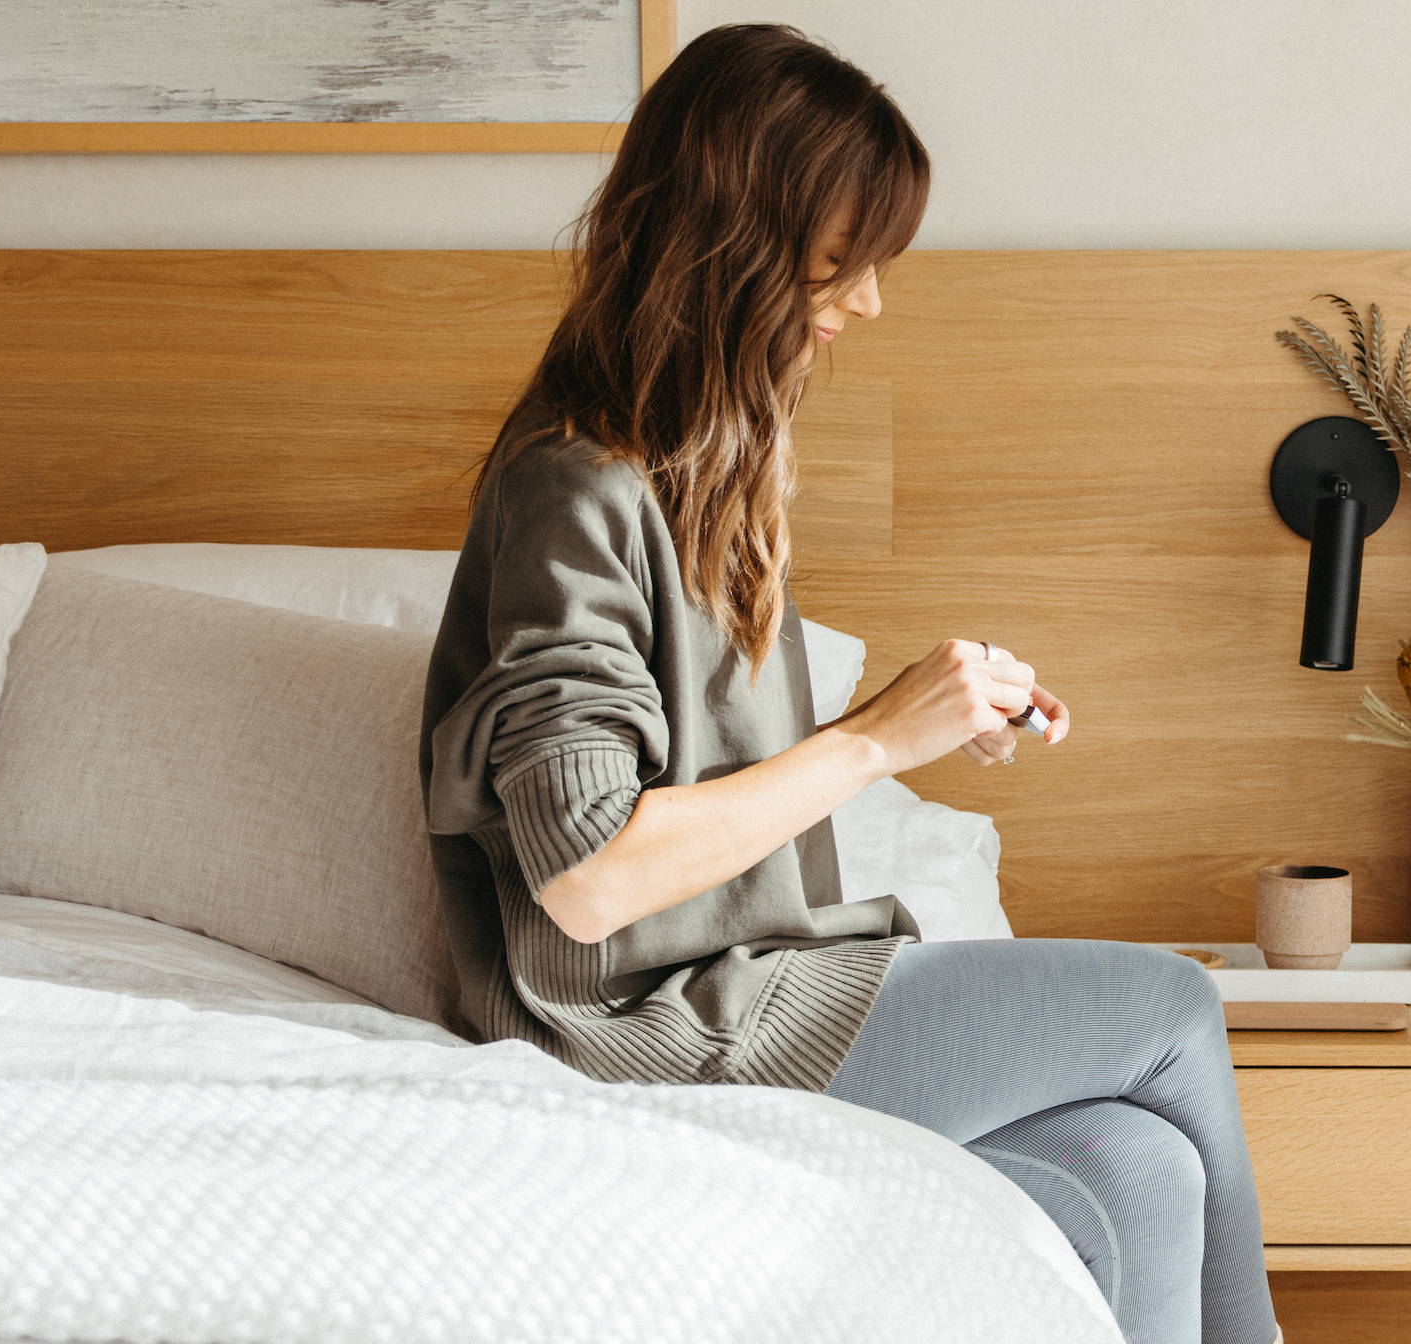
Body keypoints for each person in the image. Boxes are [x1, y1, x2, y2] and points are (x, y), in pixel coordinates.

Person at [419, 24, 1279, 1344]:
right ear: (734, 238)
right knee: (1169, 1008)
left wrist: (917, 722)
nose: (870, 298)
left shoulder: (702, 471)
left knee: (1137, 1173)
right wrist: (874, 742)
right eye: (843, 255)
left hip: (750, 973)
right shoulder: (572, 489)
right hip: (641, 1029)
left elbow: (693, 785)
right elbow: (589, 875)